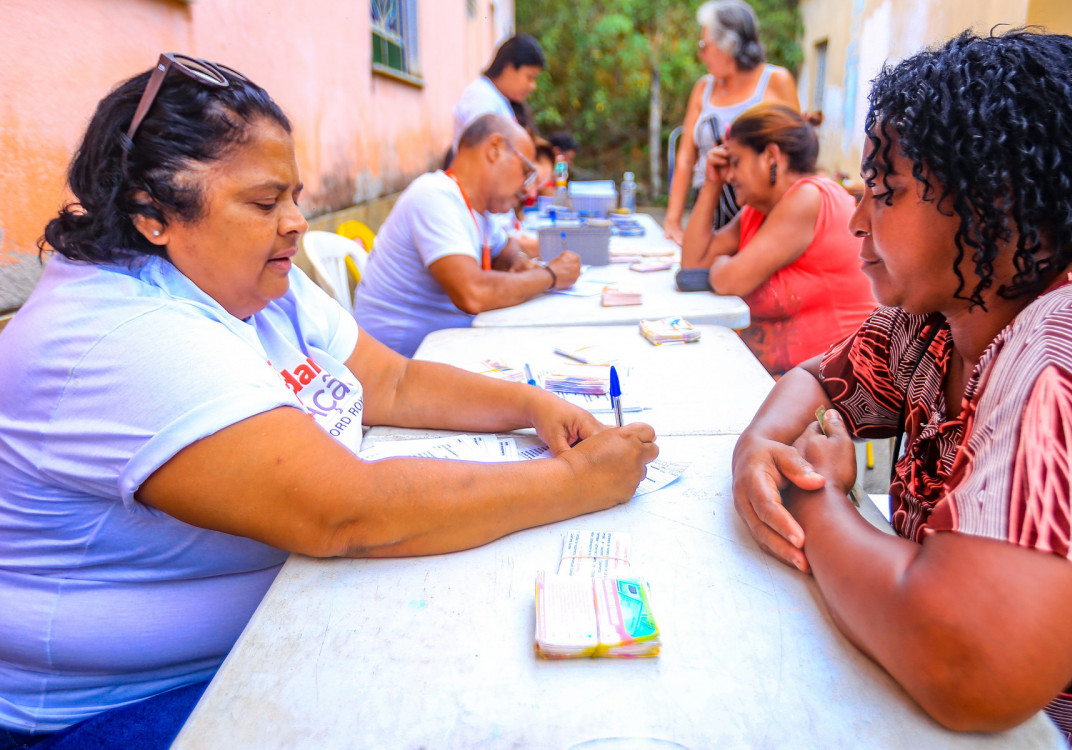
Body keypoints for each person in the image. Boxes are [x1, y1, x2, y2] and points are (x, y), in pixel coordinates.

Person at [0, 54, 657, 749]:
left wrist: (530, 405)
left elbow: (394, 383)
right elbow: (348, 512)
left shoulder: (247, 280)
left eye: (293, 195)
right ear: (153, 214)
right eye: (264, 202)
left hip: (270, 629)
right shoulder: (122, 333)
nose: (295, 221)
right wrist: (575, 484)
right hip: (121, 710)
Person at [733, 30, 1072, 748]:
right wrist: (761, 447)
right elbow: (814, 381)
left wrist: (810, 497)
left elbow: (968, 663)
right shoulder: (933, 322)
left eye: (885, 190)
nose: (857, 219)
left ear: (994, 197)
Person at [354, 115, 579, 357]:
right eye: (526, 172)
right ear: (494, 150)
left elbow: (506, 248)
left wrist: (518, 261)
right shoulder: (434, 196)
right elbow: (473, 294)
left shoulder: (476, 209)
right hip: (397, 363)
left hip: (434, 351)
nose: (527, 188)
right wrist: (551, 275)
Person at [680, 103, 875, 375]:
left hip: (840, 387)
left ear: (771, 155)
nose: (730, 175)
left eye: (735, 162)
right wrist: (711, 184)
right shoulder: (758, 212)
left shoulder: (810, 196)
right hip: (788, 383)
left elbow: (728, 279)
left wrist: (722, 263)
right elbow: (692, 264)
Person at [663, 0, 800, 245]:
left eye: (705, 45)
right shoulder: (703, 87)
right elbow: (685, 158)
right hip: (706, 202)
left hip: (757, 208)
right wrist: (673, 221)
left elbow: (798, 154)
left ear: (730, 45)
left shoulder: (774, 80)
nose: (701, 54)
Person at [451, 33, 545, 150]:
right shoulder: (481, 98)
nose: (532, 86)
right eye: (530, 77)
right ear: (508, 69)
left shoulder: (500, 99)